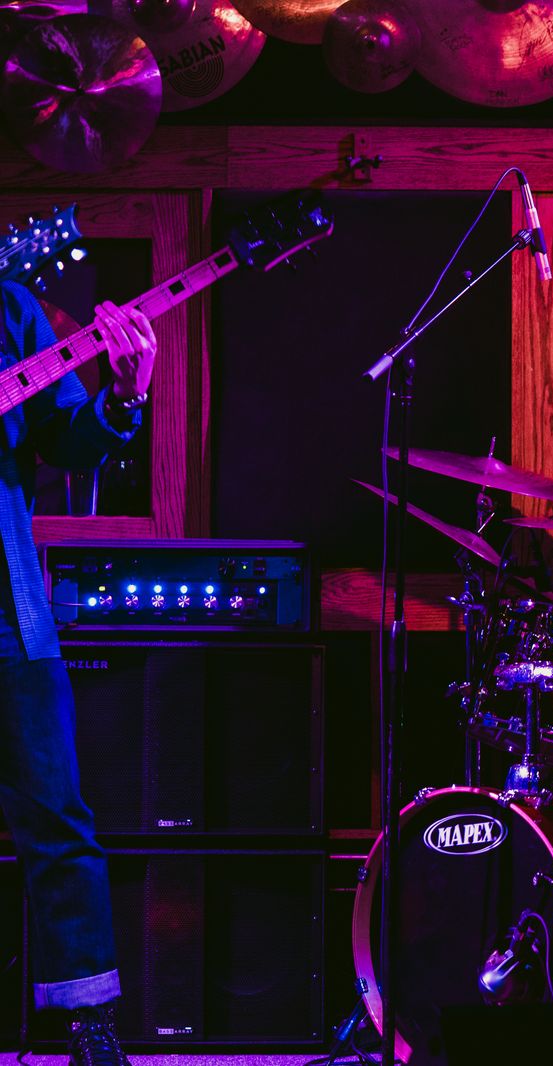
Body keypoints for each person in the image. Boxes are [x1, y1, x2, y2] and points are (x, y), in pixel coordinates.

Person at [1, 280, 155, 1066]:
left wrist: (124, 397)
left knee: (58, 817)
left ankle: (91, 1026)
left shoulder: (10, 309)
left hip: (9, 612)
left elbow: (66, 438)